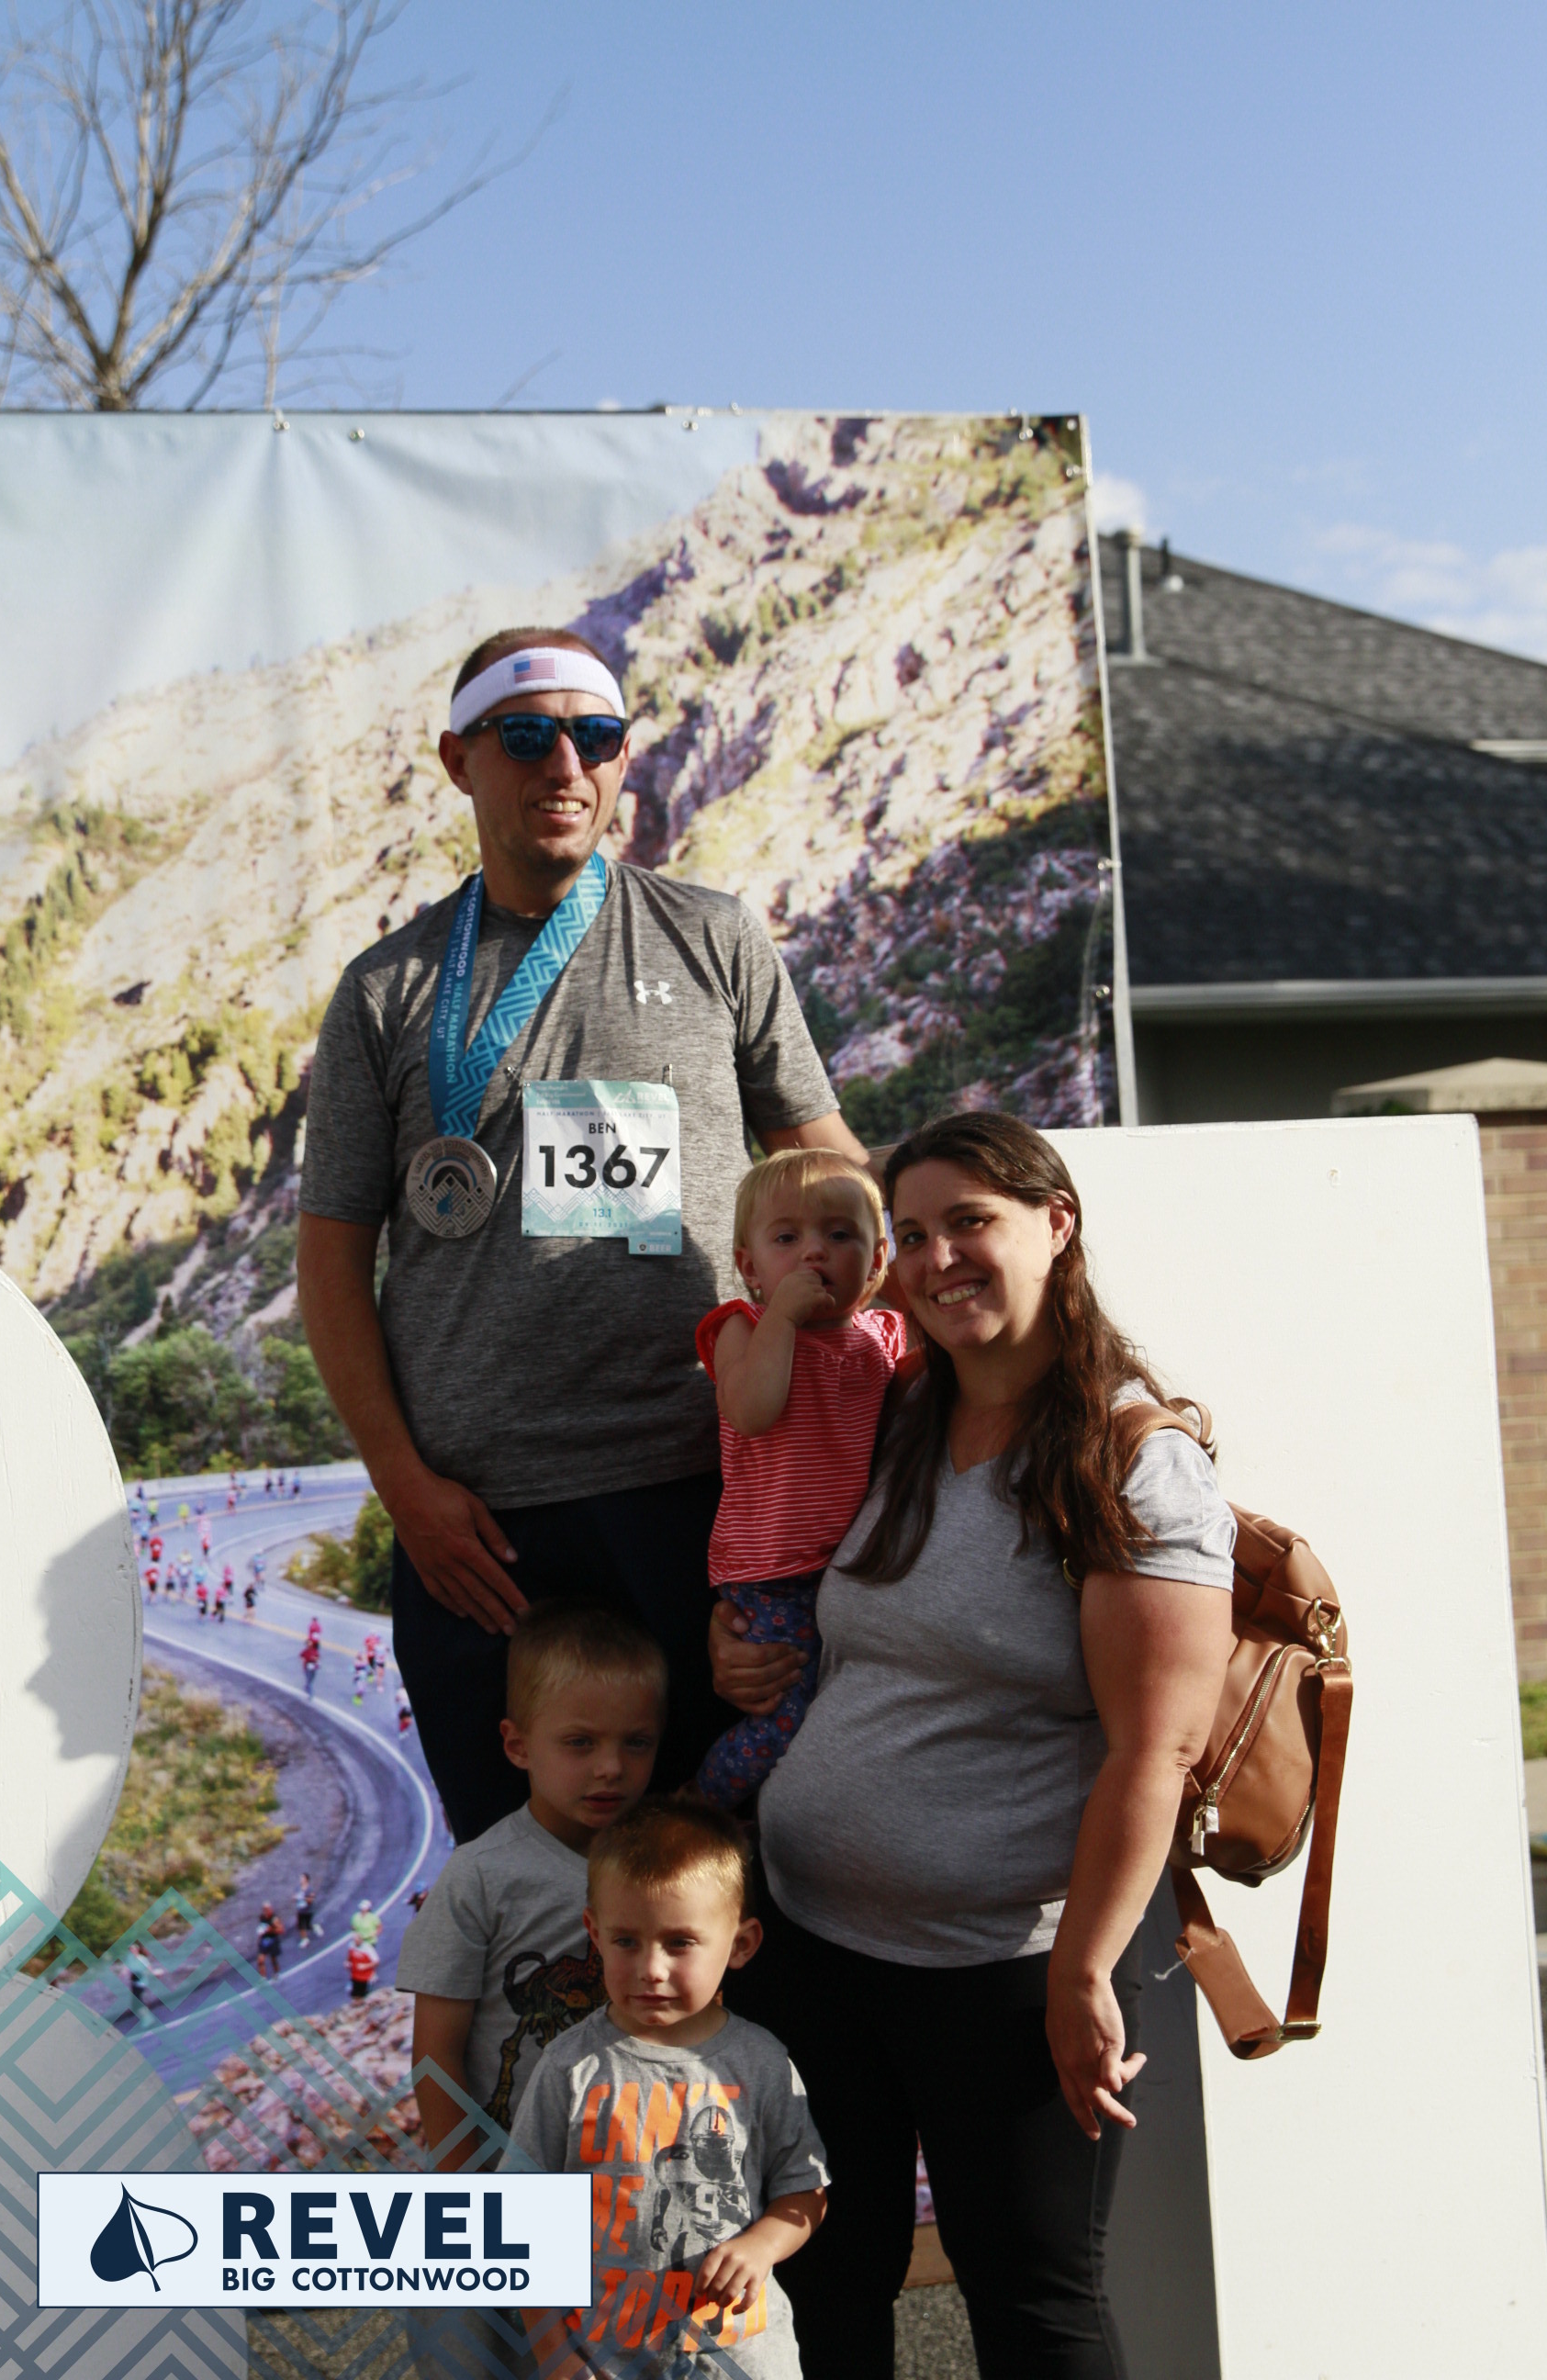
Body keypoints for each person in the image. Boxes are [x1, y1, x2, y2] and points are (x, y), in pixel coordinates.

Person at [297, 624, 868, 1847]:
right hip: (481, 1528)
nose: (565, 764)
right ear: (459, 761)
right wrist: (403, 1487)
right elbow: (330, 1264)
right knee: (527, 1889)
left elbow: (833, 1172)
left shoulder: (714, 937)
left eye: (595, 737)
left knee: (713, 1875)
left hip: (705, 1494)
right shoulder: (387, 990)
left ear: (622, 760)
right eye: (526, 736)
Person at [712, 1112, 1237, 2380]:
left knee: (1032, 2307)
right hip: (816, 1948)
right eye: (913, 1234)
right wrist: (733, 1651)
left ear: (1057, 1225)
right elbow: (844, 1615)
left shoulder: (1131, 1462)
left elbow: (1154, 1752)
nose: (936, 1258)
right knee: (830, 2283)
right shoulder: (903, 1413)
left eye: (971, 1223)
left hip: (1002, 1972)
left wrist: (1087, 1972)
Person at [510, 1798, 828, 2379]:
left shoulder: (762, 2062)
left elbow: (805, 2190)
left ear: (740, 1944)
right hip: (603, 2361)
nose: (651, 1968)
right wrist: (554, 2354)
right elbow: (524, 2221)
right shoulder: (569, 2068)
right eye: (626, 1941)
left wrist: (762, 2245)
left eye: (680, 1942)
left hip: (743, 2361)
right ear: (594, 1933)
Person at [399, 1601, 666, 2162]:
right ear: (518, 1745)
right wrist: (463, 2187)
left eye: (636, 1742)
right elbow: (436, 2055)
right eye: (580, 1742)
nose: (612, 1767)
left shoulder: (671, 1869)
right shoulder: (480, 1877)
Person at [693, 1149, 909, 1807]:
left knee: (845, 1713)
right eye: (787, 1239)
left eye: (839, 1235)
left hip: (853, 1567)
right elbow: (751, 1411)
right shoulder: (744, 1326)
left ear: (876, 1260)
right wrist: (783, 1319)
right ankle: (702, 1808)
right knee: (784, 1720)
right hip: (772, 1567)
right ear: (750, 1267)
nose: (814, 1252)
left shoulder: (884, 1335)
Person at [255, 1903, 284, 1979]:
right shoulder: (262, 1917)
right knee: (260, 1959)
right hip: (264, 1940)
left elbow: (281, 1930)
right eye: (265, 1910)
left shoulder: (275, 1919)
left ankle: (277, 1973)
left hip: (273, 1939)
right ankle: (263, 1977)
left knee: (273, 1958)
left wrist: (271, 1930)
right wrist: (260, 1936)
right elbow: (261, 1928)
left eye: (268, 1909)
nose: (267, 1911)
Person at [347, 1935, 378, 2001]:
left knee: (364, 1996)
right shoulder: (352, 1945)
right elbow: (350, 1955)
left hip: (366, 1976)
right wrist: (347, 1962)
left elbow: (376, 1962)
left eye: (357, 1941)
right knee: (353, 1994)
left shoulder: (367, 1948)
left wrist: (365, 1966)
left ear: (361, 1940)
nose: (355, 1943)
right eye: (354, 1941)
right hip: (355, 1975)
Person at [295, 1872, 321, 1949]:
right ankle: (305, 1939)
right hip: (300, 1909)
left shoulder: (310, 1889)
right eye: (300, 1878)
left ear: (306, 1879)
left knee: (305, 1925)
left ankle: (315, 1927)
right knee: (300, 1925)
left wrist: (303, 1898)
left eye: (302, 1878)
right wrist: (295, 1898)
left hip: (308, 1910)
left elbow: (311, 1900)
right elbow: (295, 1897)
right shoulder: (298, 1888)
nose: (300, 1879)